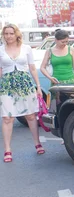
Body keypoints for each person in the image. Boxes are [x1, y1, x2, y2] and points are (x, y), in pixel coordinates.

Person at [0, 24, 45, 162]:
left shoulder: (26, 49)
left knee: (31, 116)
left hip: (25, 84)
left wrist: (38, 86)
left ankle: (37, 143)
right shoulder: (1, 50)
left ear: (16, 34)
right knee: (7, 117)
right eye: (6, 34)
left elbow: (32, 68)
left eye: (11, 33)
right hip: (7, 86)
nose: (8, 36)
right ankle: (7, 149)